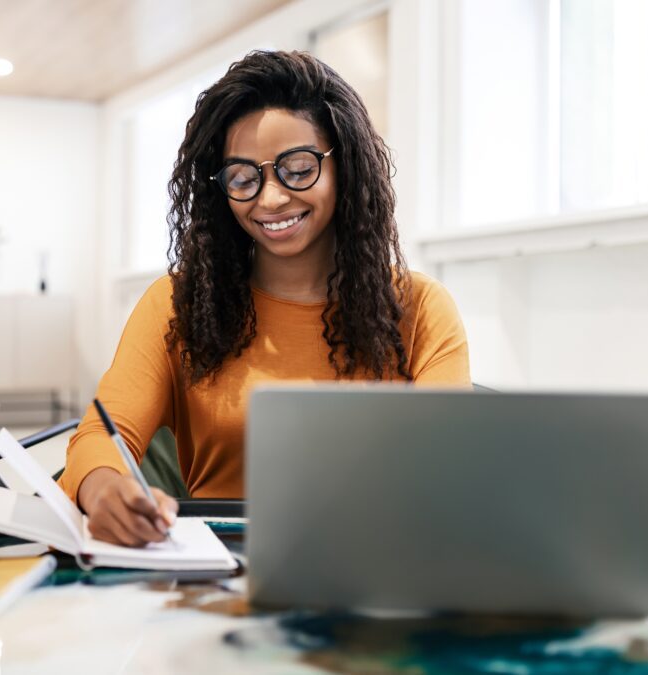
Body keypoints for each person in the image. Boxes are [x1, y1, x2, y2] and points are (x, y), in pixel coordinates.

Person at [58, 50, 470, 547]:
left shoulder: (421, 308)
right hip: (218, 574)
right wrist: (105, 491)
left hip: (377, 561)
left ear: (347, 166)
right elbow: (101, 436)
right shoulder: (178, 302)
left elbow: (448, 470)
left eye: (298, 169)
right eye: (243, 178)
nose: (270, 198)